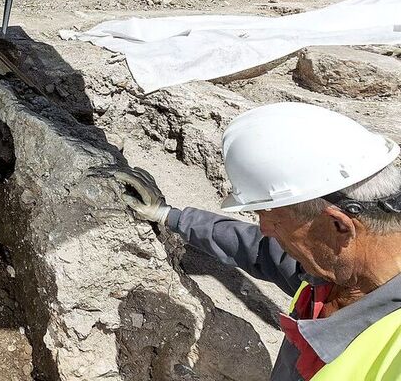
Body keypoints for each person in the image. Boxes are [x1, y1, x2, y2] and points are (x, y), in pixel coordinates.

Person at [116, 102, 401, 381]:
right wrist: (169, 216)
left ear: (339, 224)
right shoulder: (332, 266)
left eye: (272, 218)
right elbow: (255, 248)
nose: (264, 229)